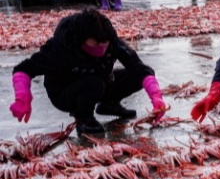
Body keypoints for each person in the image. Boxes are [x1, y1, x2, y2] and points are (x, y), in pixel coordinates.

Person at [9, 8, 167, 136]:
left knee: (137, 75)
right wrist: (23, 97)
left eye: (104, 43)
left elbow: (139, 68)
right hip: (65, 93)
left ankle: (109, 105)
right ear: (81, 38)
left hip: (100, 81)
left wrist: (156, 97)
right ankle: (84, 118)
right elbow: (24, 70)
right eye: (95, 43)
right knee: (93, 83)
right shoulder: (58, 48)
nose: (101, 47)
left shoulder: (111, 42)